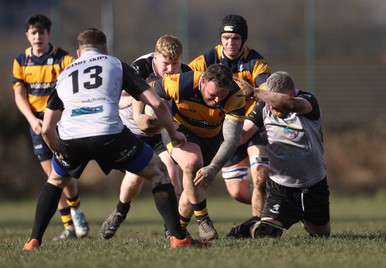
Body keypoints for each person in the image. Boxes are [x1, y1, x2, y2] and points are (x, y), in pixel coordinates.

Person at [22, 27, 209, 251]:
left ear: (79, 53)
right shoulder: (116, 64)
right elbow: (157, 103)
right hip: (109, 133)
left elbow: (47, 128)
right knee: (159, 173)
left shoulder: (64, 73)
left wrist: (58, 153)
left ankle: (33, 241)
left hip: (71, 136)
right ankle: (178, 239)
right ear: (105, 49)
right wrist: (174, 131)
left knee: (54, 181)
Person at [100, 35, 191, 240]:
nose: (170, 69)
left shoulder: (185, 72)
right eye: (165, 64)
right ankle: (120, 212)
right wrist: (138, 112)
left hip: (158, 132)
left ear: (181, 59)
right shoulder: (140, 68)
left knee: (170, 171)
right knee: (134, 178)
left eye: (174, 64)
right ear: (156, 57)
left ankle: (172, 229)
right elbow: (119, 98)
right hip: (131, 130)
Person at [189, 14, 271, 231]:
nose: (230, 43)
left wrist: (250, 125)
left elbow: (267, 95)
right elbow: (185, 81)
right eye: (226, 37)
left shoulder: (256, 62)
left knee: (260, 174)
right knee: (237, 192)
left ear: (243, 39)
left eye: (235, 38)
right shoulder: (205, 60)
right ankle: (278, 204)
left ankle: (258, 224)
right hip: (225, 130)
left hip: (253, 126)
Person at [12, 14, 89, 240]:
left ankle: (77, 211)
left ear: (48, 34)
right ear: (27, 35)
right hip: (36, 124)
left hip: (60, 121)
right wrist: (32, 120)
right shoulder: (20, 61)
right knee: (52, 176)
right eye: (33, 33)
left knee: (63, 172)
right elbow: (19, 95)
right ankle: (69, 226)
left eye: (41, 33)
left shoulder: (63, 59)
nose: (37, 37)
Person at [151, 63, 246, 241]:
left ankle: (175, 231)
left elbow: (232, 139)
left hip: (211, 138)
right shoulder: (179, 83)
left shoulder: (235, 96)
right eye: (213, 95)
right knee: (192, 163)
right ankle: (203, 219)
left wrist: (214, 167)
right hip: (179, 130)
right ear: (202, 82)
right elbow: (147, 94)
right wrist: (146, 117)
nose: (218, 100)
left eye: (222, 96)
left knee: (194, 186)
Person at [233, 71, 331, 239]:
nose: (271, 106)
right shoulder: (264, 107)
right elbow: (242, 135)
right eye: (268, 101)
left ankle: (306, 218)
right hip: (281, 189)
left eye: (274, 100)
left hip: (315, 184)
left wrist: (255, 92)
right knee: (266, 233)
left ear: (290, 93)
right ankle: (249, 228)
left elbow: (290, 105)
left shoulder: (307, 101)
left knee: (321, 234)